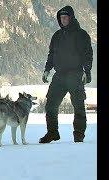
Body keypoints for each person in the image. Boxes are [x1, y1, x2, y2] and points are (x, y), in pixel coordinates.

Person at [39, 5, 93, 143]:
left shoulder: (81, 34)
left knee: (78, 106)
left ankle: (79, 135)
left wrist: (87, 71)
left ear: (71, 17)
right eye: (61, 18)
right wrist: (47, 69)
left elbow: (88, 55)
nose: (63, 20)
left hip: (75, 74)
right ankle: (52, 133)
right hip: (59, 75)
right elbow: (51, 55)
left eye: (65, 17)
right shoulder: (57, 35)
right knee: (51, 104)